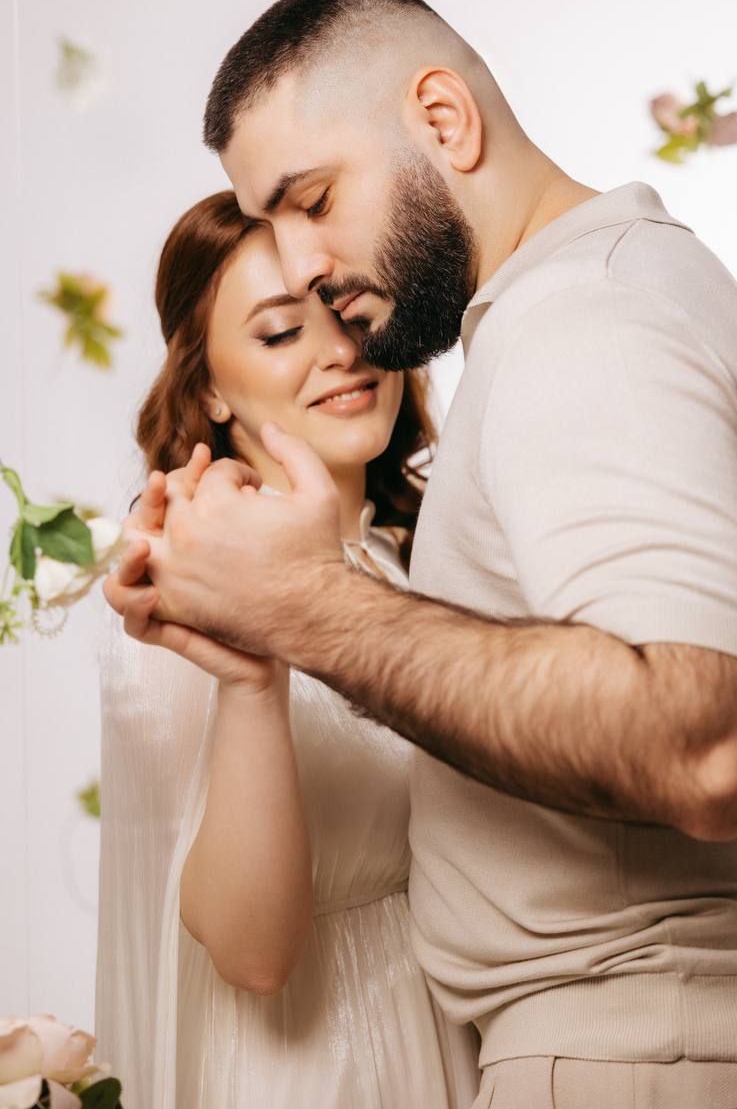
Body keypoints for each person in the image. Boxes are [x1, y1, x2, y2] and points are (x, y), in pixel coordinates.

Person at [106, 0, 737, 1108]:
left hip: (656, 1053)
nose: (304, 267)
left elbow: (704, 749)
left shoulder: (583, 323)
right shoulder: (603, 297)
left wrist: (301, 604)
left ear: (444, 119)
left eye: (313, 199)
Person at [95, 191, 480, 1109]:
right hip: (319, 1071)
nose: (340, 352)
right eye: (278, 333)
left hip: (455, 1044)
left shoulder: (412, 560)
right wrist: (253, 680)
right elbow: (252, 955)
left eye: (348, 312)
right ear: (208, 389)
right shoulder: (187, 589)